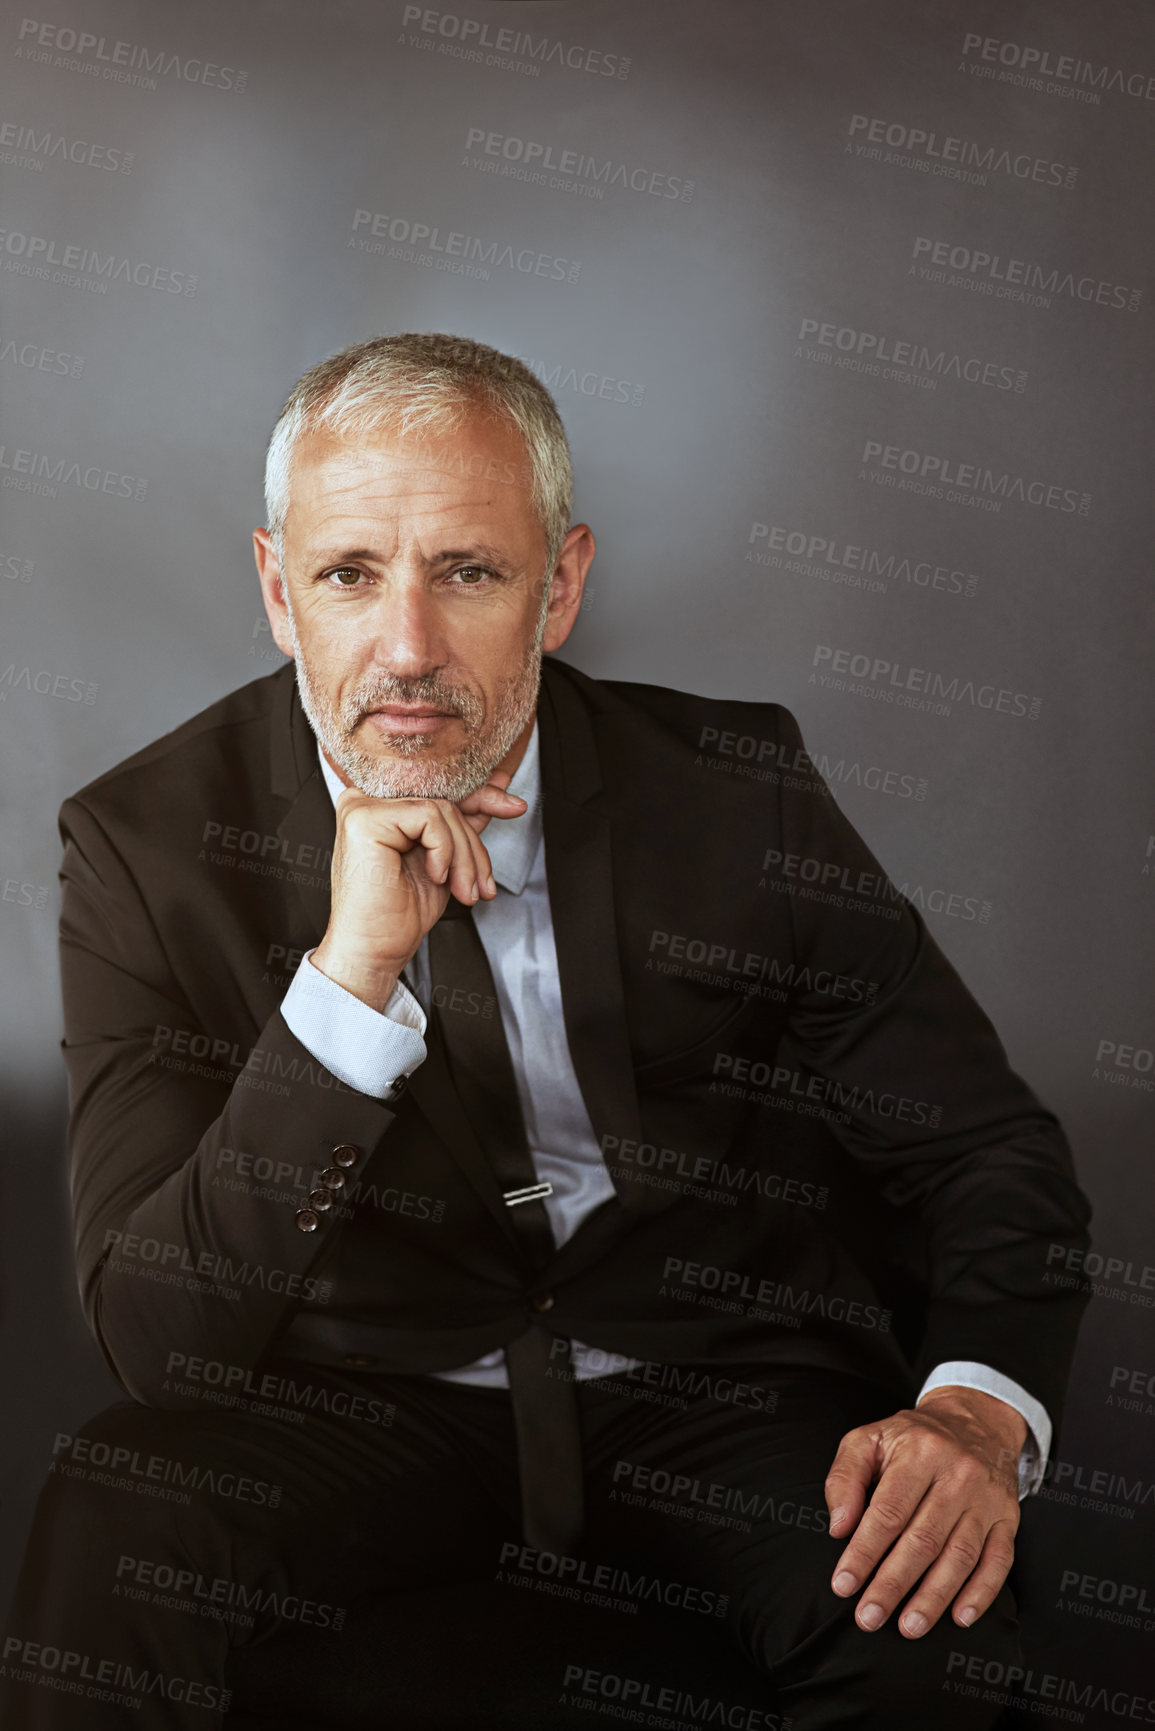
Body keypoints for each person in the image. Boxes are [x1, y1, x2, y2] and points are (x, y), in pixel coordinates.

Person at [2, 333, 1092, 1729]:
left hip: (705, 1385)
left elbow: (986, 1154)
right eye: (349, 574)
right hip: (371, 1396)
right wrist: (350, 979)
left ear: (561, 584)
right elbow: (155, 1335)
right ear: (280, 592)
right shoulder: (144, 850)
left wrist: (975, 1413)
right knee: (113, 1526)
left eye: (467, 571)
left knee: (943, 1612)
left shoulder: (734, 794)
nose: (407, 648)